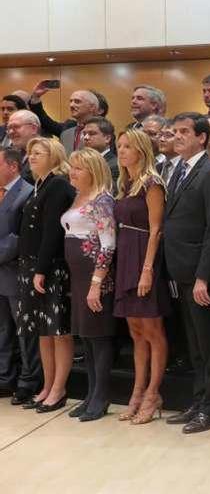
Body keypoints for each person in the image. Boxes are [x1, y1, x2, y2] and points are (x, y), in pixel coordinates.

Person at [162, 113, 210, 434]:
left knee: (209, 344)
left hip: (200, 275)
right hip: (179, 270)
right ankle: (199, 400)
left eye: (184, 132)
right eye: (175, 132)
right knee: (194, 344)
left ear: (202, 138)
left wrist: (204, 276)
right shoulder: (178, 169)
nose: (177, 137)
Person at [114, 129, 172, 424]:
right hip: (125, 256)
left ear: (141, 150)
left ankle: (153, 393)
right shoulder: (124, 184)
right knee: (135, 332)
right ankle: (136, 392)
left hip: (144, 258)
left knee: (152, 331)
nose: (121, 151)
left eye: (127, 146)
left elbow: (156, 230)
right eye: (119, 146)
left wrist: (147, 270)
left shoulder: (152, 183)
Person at [17, 138, 76, 412]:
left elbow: (52, 231)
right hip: (31, 265)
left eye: (38, 153)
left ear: (54, 156)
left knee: (58, 330)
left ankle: (59, 388)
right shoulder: (39, 185)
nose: (31, 157)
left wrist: (41, 269)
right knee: (42, 330)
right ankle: (47, 385)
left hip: (51, 266)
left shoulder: (58, 184)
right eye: (30, 153)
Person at [62, 148, 116, 422]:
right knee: (86, 337)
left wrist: (96, 283)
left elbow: (108, 245)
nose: (72, 172)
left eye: (78, 168)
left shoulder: (102, 200)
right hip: (78, 276)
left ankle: (101, 396)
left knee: (99, 337)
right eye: (72, 167)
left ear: (93, 171)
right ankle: (91, 393)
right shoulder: (77, 196)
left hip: (95, 277)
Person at [0, 149, 37, 404]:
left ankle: (29, 380)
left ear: (12, 165)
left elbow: (18, 238)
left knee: (24, 330)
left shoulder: (27, 193)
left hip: (15, 270)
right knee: (2, 329)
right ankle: (4, 378)